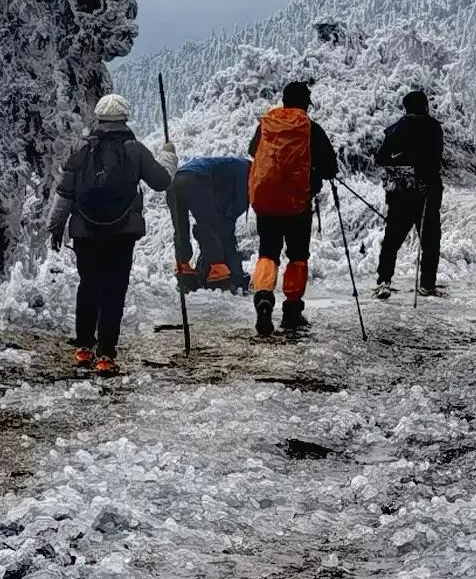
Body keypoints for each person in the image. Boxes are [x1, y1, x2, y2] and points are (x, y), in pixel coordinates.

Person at [51, 92, 172, 373]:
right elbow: (162, 182)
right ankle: (106, 355)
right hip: (121, 233)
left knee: (88, 285)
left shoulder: (82, 149)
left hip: (85, 232)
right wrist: (169, 155)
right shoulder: (135, 149)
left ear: (99, 119)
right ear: (125, 119)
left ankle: (83, 349)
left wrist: (55, 226)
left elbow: (64, 192)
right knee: (114, 290)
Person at [247, 77, 346, 338]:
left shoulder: (266, 124)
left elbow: (252, 151)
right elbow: (330, 167)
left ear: (283, 100)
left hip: (266, 203)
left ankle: (264, 297)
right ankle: (291, 311)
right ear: (306, 104)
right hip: (297, 205)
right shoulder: (311, 128)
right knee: (297, 257)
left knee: (267, 253)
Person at [372, 85, 446, 297]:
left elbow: (380, 158)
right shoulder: (433, 128)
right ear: (424, 106)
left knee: (391, 240)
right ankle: (426, 284)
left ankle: (384, 281)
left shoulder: (395, 129)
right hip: (427, 194)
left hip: (400, 194)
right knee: (430, 241)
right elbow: (435, 160)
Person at [172, 148, 252, 289]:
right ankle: (217, 271)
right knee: (208, 226)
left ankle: (183, 265)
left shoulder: (230, 167)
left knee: (180, 227)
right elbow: (237, 204)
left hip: (174, 180)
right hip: (197, 179)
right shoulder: (247, 170)